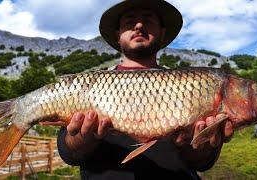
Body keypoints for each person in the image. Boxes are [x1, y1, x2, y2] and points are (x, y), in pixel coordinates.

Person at [41, 0, 234, 179]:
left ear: (162, 32)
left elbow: (203, 163)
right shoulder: (89, 85)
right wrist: (83, 138)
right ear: (118, 35)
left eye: (148, 19)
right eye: (130, 21)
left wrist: (197, 145)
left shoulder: (195, 84)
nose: (139, 25)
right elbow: (69, 154)